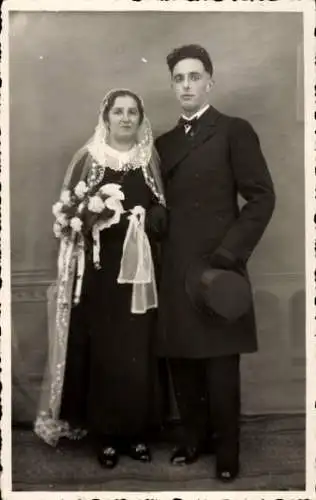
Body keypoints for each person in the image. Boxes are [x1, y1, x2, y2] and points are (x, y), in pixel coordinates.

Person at [155, 45, 276, 481]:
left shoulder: (233, 131)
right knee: (183, 361)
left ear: (210, 81)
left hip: (219, 267)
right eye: (179, 79)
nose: (187, 85)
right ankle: (193, 440)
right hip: (176, 271)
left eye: (194, 76)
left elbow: (262, 197)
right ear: (172, 86)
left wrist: (229, 255)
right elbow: (162, 206)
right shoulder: (163, 144)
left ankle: (228, 453)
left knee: (221, 365)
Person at [34, 89, 166, 469]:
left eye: (133, 113)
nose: (126, 119)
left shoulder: (147, 160)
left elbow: (162, 206)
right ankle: (107, 436)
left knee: (138, 348)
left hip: (139, 272)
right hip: (99, 271)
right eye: (118, 112)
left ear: (141, 119)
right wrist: (91, 217)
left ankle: (137, 433)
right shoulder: (89, 160)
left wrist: (149, 217)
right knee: (106, 351)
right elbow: (69, 216)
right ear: (106, 117)